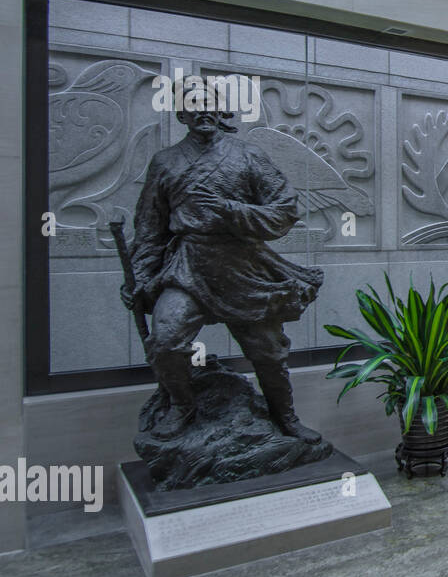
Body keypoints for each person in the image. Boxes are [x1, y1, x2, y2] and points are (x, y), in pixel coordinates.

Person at [123, 102, 323, 441]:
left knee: (269, 352)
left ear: (221, 113)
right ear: (181, 116)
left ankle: (285, 416)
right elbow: (149, 227)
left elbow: (285, 209)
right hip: (187, 266)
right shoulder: (166, 162)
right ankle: (181, 406)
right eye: (192, 106)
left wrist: (230, 210)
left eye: (208, 105)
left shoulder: (247, 156)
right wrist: (141, 278)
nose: (202, 112)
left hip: (242, 265)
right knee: (166, 341)